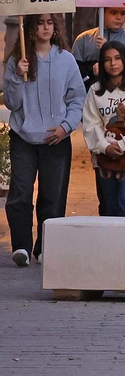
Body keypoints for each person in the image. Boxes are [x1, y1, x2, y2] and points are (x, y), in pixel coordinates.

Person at [5, 14, 85, 265]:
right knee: (20, 192)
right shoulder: (18, 60)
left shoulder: (66, 59)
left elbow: (77, 99)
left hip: (55, 139)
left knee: (53, 195)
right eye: (40, 23)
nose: (46, 27)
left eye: (50, 22)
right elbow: (11, 102)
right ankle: (22, 247)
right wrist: (18, 76)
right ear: (30, 27)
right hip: (24, 138)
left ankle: (45, 246)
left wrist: (66, 127)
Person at [81, 41, 125, 218]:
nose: (113, 63)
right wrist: (105, 146)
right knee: (109, 206)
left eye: (118, 58)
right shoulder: (95, 91)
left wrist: (124, 145)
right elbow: (91, 124)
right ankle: (109, 245)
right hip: (104, 156)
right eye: (108, 60)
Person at [71, 7, 125, 79]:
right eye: (113, 13)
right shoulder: (84, 38)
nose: (119, 17)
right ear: (101, 12)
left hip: (123, 89)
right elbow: (74, 70)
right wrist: (92, 70)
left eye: (123, 13)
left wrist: (108, 48)